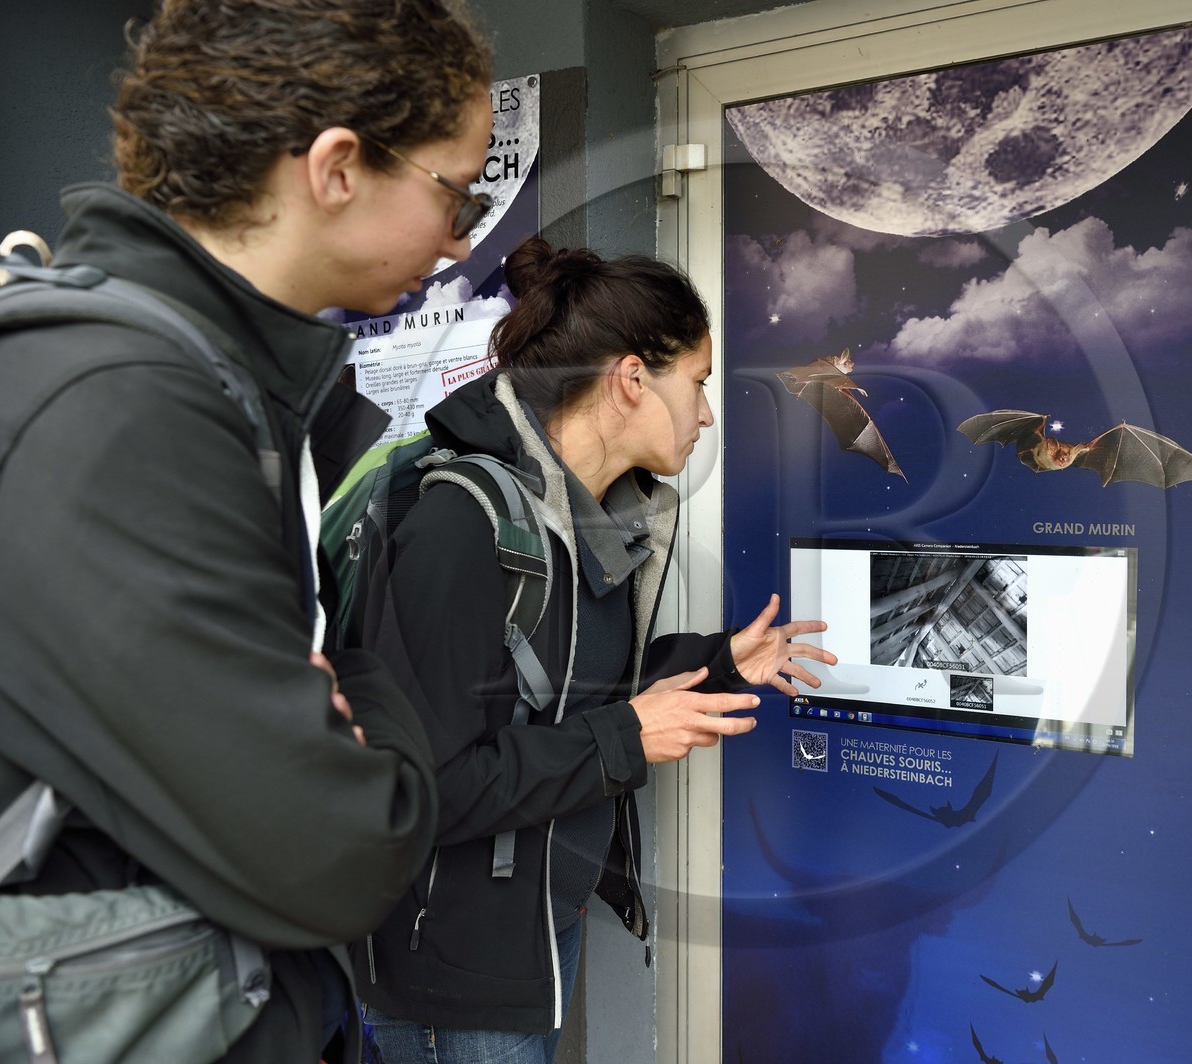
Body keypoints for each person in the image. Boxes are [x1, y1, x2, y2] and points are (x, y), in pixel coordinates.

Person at [0, 0, 501, 1060]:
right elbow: (340, 850)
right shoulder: (116, 405)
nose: (462, 237)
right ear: (337, 167)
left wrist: (328, 703)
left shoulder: (222, 387)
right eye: (454, 188)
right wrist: (362, 684)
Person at [354, 235, 836, 1063]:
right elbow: (421, 785)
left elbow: (564, 692)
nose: (709, 414)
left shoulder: (588, 520)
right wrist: (628, 739)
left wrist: (720, 663)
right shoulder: (458, 527)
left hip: (531, 928)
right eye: (701, 383)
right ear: (632, 378)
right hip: (452, 968)